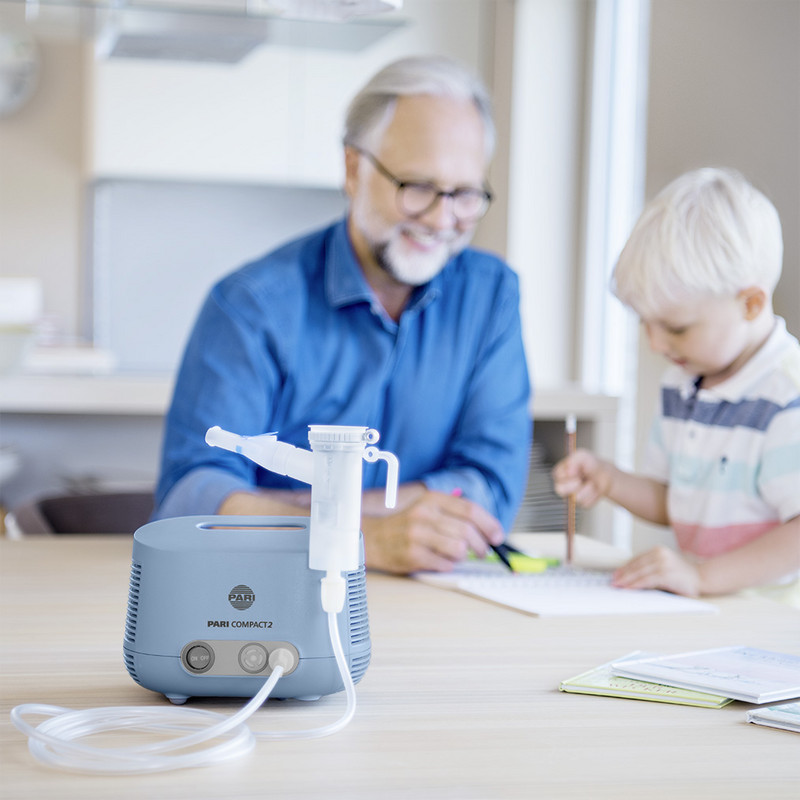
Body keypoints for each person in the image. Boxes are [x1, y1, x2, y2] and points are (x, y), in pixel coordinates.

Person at [153, 55, 532, 575]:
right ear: (354, 169)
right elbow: (192, 498)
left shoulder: (491, 296)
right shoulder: (252, 305)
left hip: (437, 601)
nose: (443, 220)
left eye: (464, 194)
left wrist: (287, 512)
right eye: (418, 187)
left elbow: (490, 487)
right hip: (274, 595)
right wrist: (366, 537)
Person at [553, 168, 800, 605]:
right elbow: (676, 501)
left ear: (750, 303)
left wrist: (702, 576)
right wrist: (610, 480)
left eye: (676, 328)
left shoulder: (785, 394)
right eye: (646, 324)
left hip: (773, 623)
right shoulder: (681, 385)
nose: (655, 343)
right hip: (706, 610)